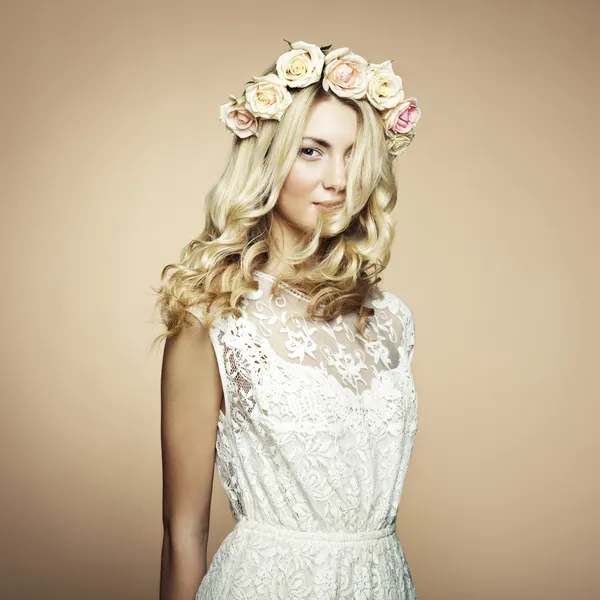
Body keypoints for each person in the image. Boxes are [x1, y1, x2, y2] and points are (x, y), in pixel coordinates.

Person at [153, 40, 421, 600]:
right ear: (268, 159)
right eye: (312, 151)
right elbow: (184, 531)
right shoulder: (212, 320)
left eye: (353, 155)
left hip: (381, 583)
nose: (338, 179)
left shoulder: (392, 320)